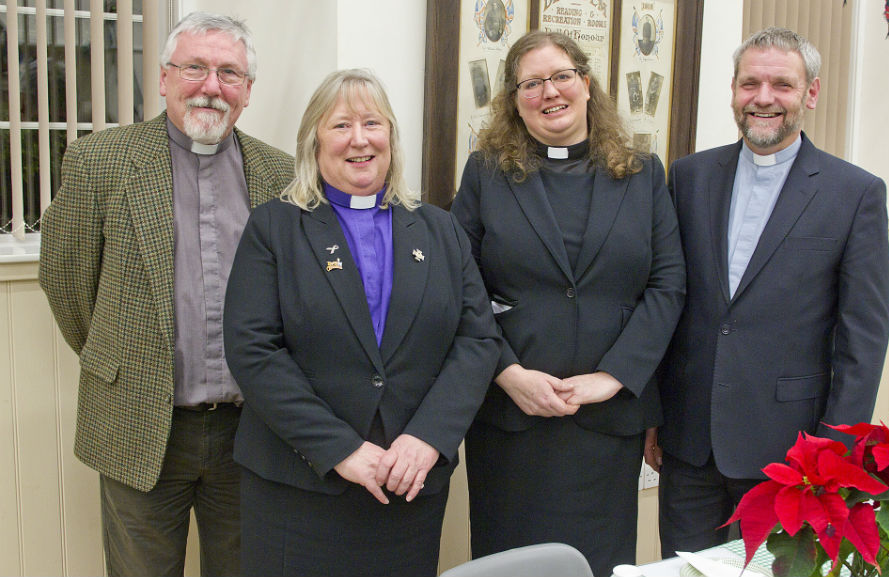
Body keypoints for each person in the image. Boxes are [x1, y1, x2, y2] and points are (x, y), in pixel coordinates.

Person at [38, 12, 294, 576]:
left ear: (248, 91)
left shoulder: (281, 174)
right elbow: (66, 278)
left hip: (251, 431)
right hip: (141, 421)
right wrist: (124, 362)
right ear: (163, 78)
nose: (210, 86)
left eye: (229, 73)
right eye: (195, 68)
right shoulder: (99, 162)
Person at [223, 68, 501, 577]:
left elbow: (478, 339)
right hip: (300, 487)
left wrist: (429, 438)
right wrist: (341, 448)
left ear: (391, 136)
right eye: (340, 125)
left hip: (407, 483)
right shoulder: (274, 227)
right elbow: (252, 350)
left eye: (372, 123)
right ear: (313, 141)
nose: (359, 139)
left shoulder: (440, 229)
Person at [450, 30, 686, 577]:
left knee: (598, 564)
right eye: (530, 83)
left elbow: (668, 284)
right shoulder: (486, 173)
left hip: (606, 423)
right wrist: (507, 372)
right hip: (512, 419)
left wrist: (614, 376)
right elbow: (460, 286)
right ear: (513, 99)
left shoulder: (643, 173)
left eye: (560, 76)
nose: (548, 93)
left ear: (585, 83)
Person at [652, 27, 889, 558]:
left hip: (792, 453)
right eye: (750, 83)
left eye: (781, 84)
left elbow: (863, 339)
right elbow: (669, 302)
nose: (763, 98)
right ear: (734, 90)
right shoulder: (688, 176)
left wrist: (835, 450)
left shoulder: (855, 193)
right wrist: (654, 416)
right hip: (689, 445)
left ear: (810, 92)